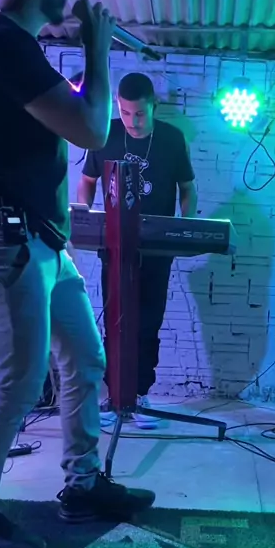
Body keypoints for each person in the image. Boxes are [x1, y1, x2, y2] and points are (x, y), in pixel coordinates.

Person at [0, 0, 155, 548]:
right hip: (9, 238)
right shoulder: (2, 43)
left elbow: (72, 118)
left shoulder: (15, 47)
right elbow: (93, 130)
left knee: (84, 357)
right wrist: (98, 51)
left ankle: (81, 484)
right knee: (19, 378)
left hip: (43, 240)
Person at [77, 72, 197, 428]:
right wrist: (86, 216)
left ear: (154, 106)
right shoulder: (105, 134)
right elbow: (87, 181)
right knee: (114, 321)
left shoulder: (172, 139)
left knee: (148, 321)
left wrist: (185, 225)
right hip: (114, 246)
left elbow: (188, 188)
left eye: (140, 113)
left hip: (156, 249)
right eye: (125, 113)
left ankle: (140, 395)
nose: (132, 121)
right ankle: (114, 397)